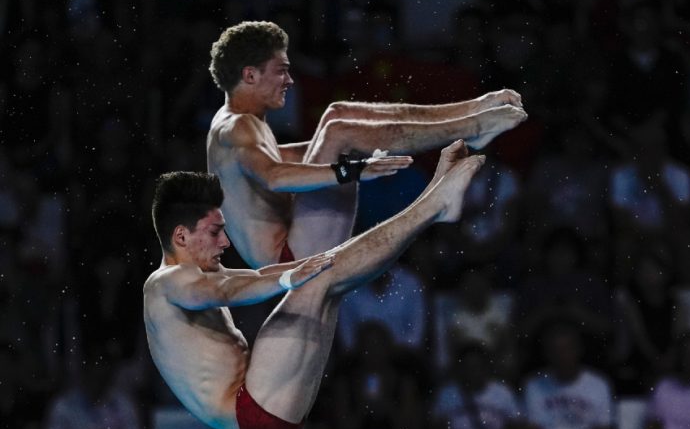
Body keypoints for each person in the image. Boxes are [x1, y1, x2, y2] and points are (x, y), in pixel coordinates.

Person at [143, 140, 487, 429]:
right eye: (216, 231)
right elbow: (230, 289)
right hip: (251, 408)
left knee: (328, 274)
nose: (225, 242)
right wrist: (292, 276)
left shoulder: (192, 277)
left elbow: (257, 274)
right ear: (181, 237)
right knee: (322, 276)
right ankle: (433, 206)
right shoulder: (166, 283)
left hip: (262, 404)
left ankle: (434, 199)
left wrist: (296, 269)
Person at [206, 20, 527, 267]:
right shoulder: (235, 128)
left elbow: (286, 159)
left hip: (299, 233)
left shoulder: (239, 122)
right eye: (280, 72)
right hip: (290, 256)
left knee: (338, 114)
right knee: (341, 130)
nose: (289, 80)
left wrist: (360, 151)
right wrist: (351, 169)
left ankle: (473, 109)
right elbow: (275, 177)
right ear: (250, 75)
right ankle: (471, 127)